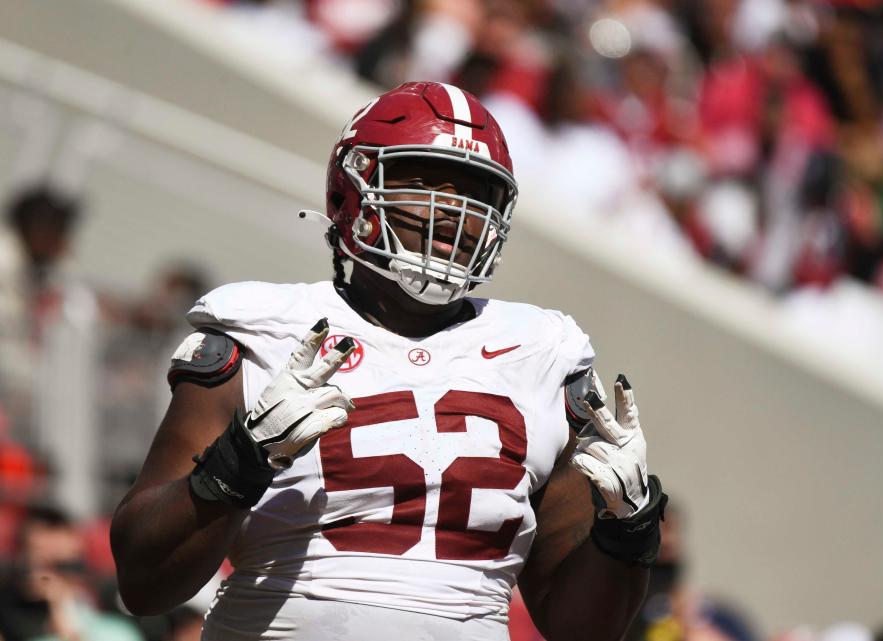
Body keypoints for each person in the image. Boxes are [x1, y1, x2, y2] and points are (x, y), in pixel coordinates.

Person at [111, 81, 667, 640]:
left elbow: (583, 631)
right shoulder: (266, 330)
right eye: (422, 182)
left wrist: (630, 528)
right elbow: (144, 582)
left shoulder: (543, 354)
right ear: (349, 191)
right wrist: (241, 461)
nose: (451, 212)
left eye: (475, 193)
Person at [0, 505, 144, 641]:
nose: (52, 577)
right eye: (43, 565)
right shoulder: (10, 611)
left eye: (63, 565)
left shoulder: (110, 604)